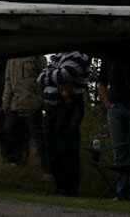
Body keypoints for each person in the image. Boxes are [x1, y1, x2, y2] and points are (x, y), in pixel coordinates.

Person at [38, 51, 91, 197]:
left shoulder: (79, 56)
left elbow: (64, 75)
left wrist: (52, 75)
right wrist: (56, 77)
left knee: (66, 147)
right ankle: (59, 186)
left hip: (69, 107)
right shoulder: (58, 56)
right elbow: (40, 77)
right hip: (52, 109)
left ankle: (69, 189)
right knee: (52, 148)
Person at [97, 58, 130, 201]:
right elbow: (101, 82)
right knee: (119, 152)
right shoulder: (109, 58)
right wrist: (108, 105)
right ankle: (122, 193)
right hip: (116, 108)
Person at [1, 55, 47, 166]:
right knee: (9, 131)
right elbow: (8, 82)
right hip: (15, 105)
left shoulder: (37, 57)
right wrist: (6, 102)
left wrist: (41, 100)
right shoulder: (11, 59)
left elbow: (44, 77)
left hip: (33, 105)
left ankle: (46, 166)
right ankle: (16, 161)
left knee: (38, 137)